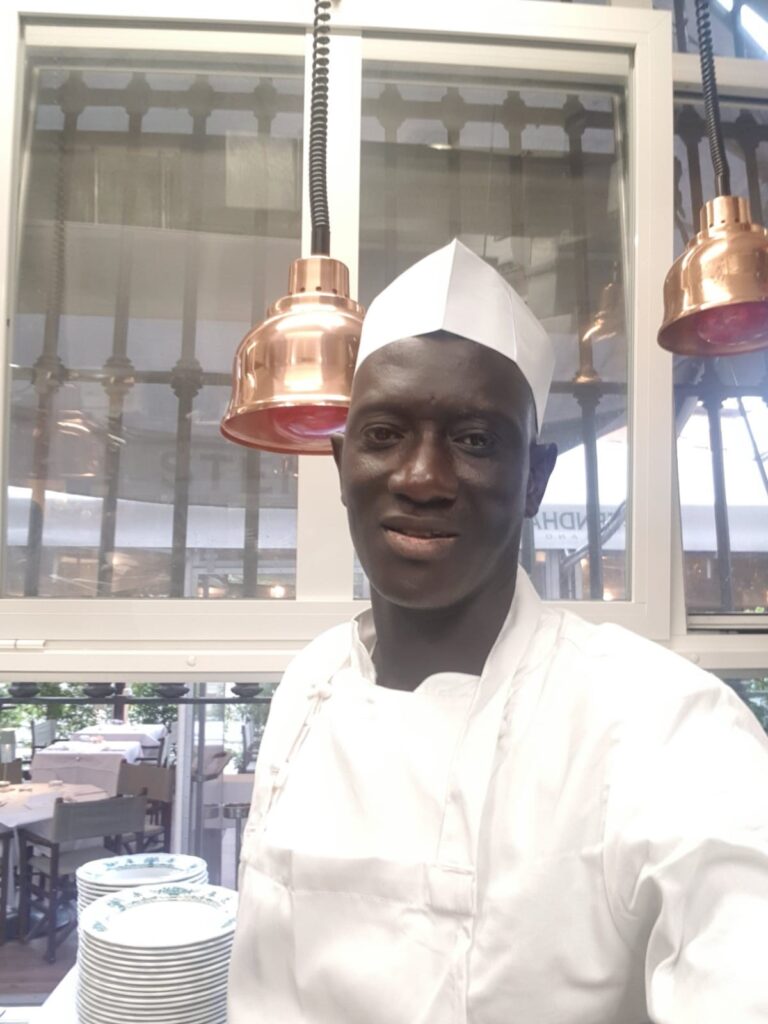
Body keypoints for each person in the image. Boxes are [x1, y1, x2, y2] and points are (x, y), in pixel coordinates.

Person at [228, 240, 768, 1023]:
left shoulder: (667, 725)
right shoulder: (309, 685)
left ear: (535, 480)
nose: (422, 478)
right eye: (384, 434)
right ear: (342, 465)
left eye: (475, 440)